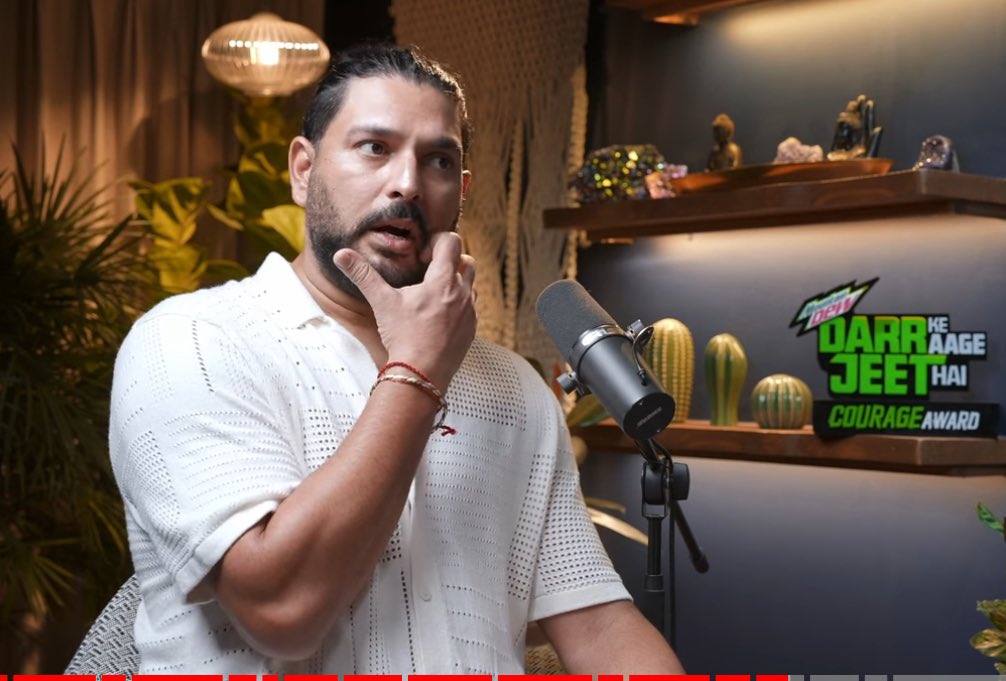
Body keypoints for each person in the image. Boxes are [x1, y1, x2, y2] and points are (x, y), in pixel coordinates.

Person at [109, 43, 685, 674]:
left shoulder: (514, 390)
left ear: (461, 191)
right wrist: (419, 371)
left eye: (438, 160)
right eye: (374, 148)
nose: (407, 183)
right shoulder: (191, 341)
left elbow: (599, 627)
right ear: (303, 170)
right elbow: (280, 609)